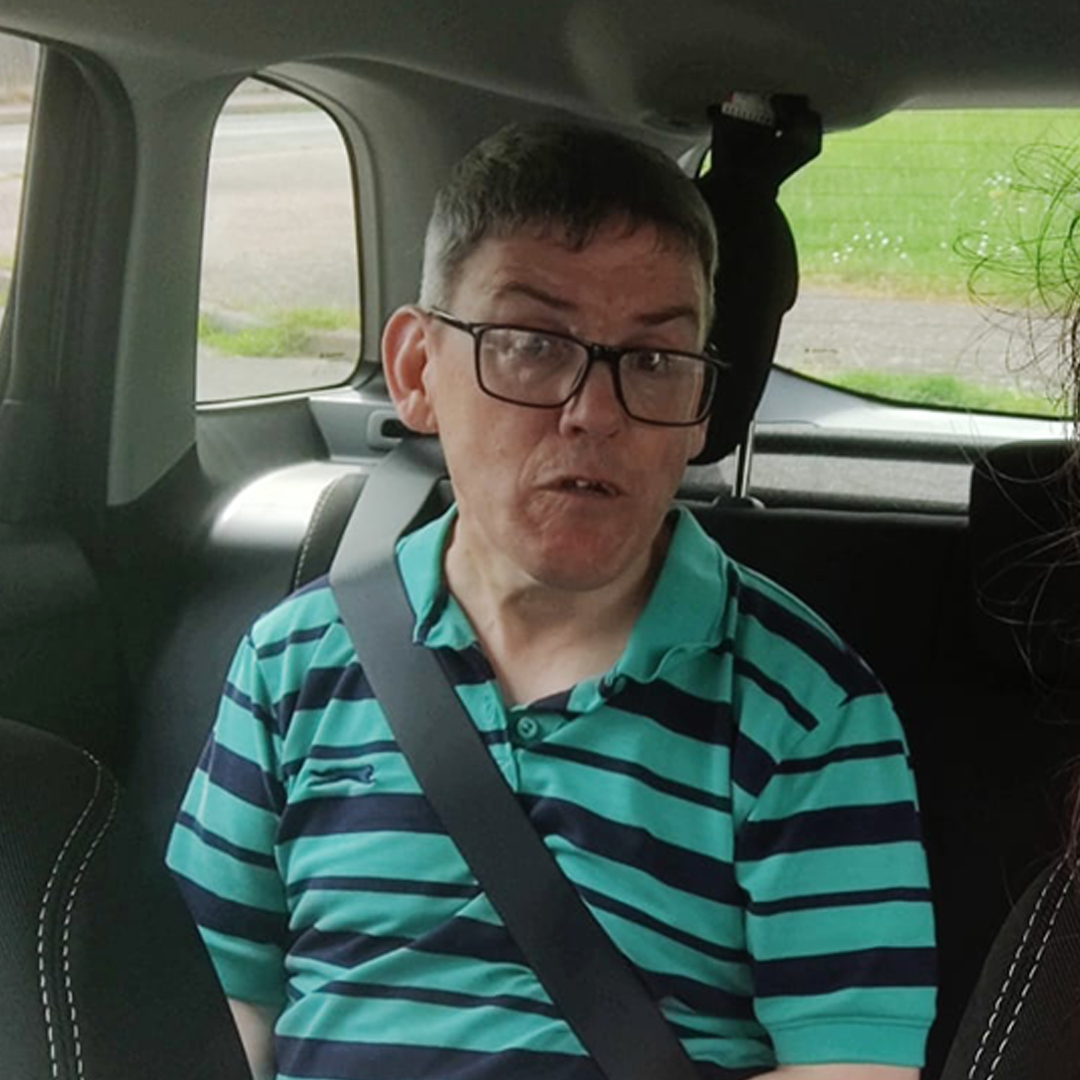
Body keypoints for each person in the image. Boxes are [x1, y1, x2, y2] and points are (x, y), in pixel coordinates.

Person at [167, 121, 936, 1080]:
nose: (595, 412)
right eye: (531, 344)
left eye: (654, 361)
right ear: (416, 372)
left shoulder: (807, 708)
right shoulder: (291, 664)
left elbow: (850, 1067)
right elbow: (221, 1009)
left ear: (701, 407)